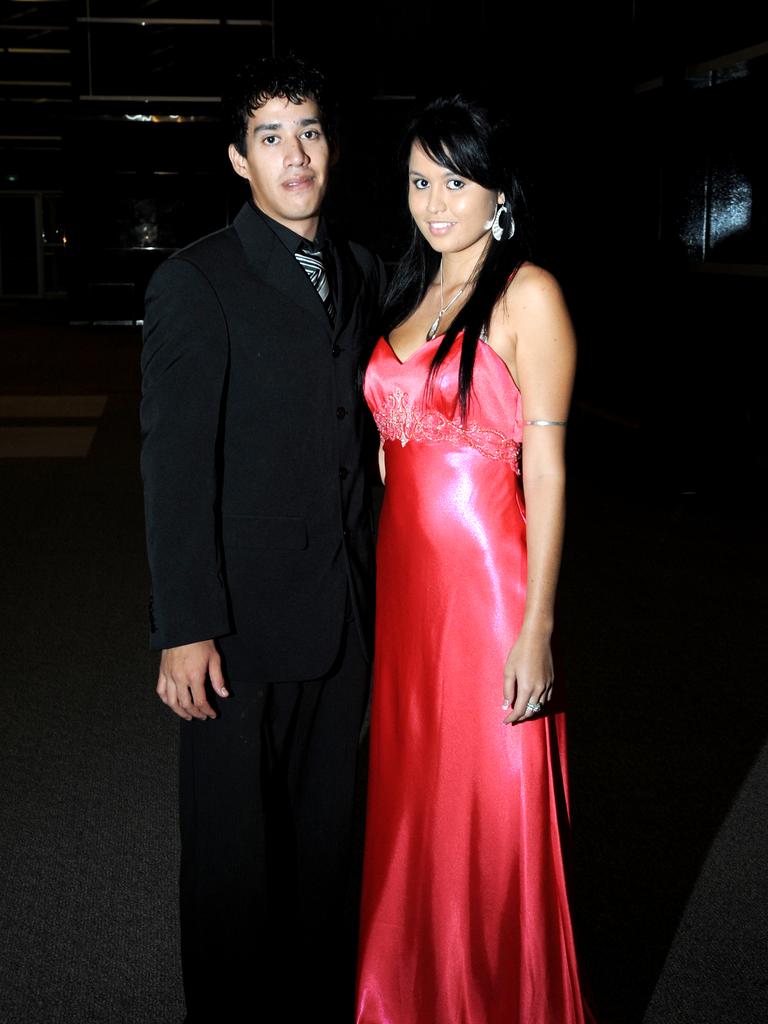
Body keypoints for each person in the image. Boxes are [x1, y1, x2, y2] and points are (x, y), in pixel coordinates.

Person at [140, 56, 384, 1023]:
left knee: (330, 849)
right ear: (239, 159)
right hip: (236, 629)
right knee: (236, 862)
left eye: (311, 131)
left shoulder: (363, 270)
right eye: (272, 137)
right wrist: (182, 626)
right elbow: (171, 466)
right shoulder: (196, 280)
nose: (296, 154)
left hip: (346, 615)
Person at [355, 96, 593, 1023]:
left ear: (496, 186)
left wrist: (537, 627)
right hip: (410, 596)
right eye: (420, 180)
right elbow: (394, 445)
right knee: (418, 810)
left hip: (491, 596)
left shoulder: (527, 293)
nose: (435, 200)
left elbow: (552, 469)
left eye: (454, 179)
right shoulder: (410, 289)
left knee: (489, 809)